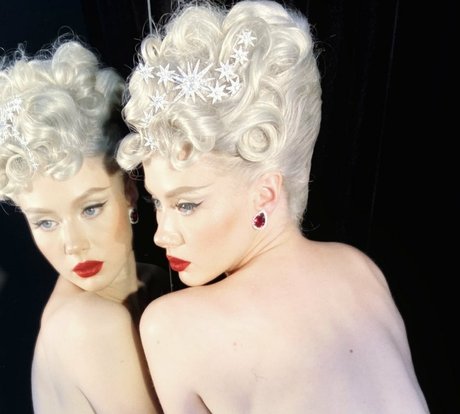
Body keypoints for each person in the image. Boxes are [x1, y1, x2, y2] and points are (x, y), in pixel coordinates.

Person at [117, 0, 429, 412]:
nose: (161, 234)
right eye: (157, 201)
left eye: (187, 205)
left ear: (265, 193)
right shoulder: (361, 270)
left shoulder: (173, 326)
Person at [0, 38, 167, 413]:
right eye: (45, 221)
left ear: (128, 190)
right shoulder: (87, 325)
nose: (72, 244)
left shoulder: (154, 282)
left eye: (90, 209)